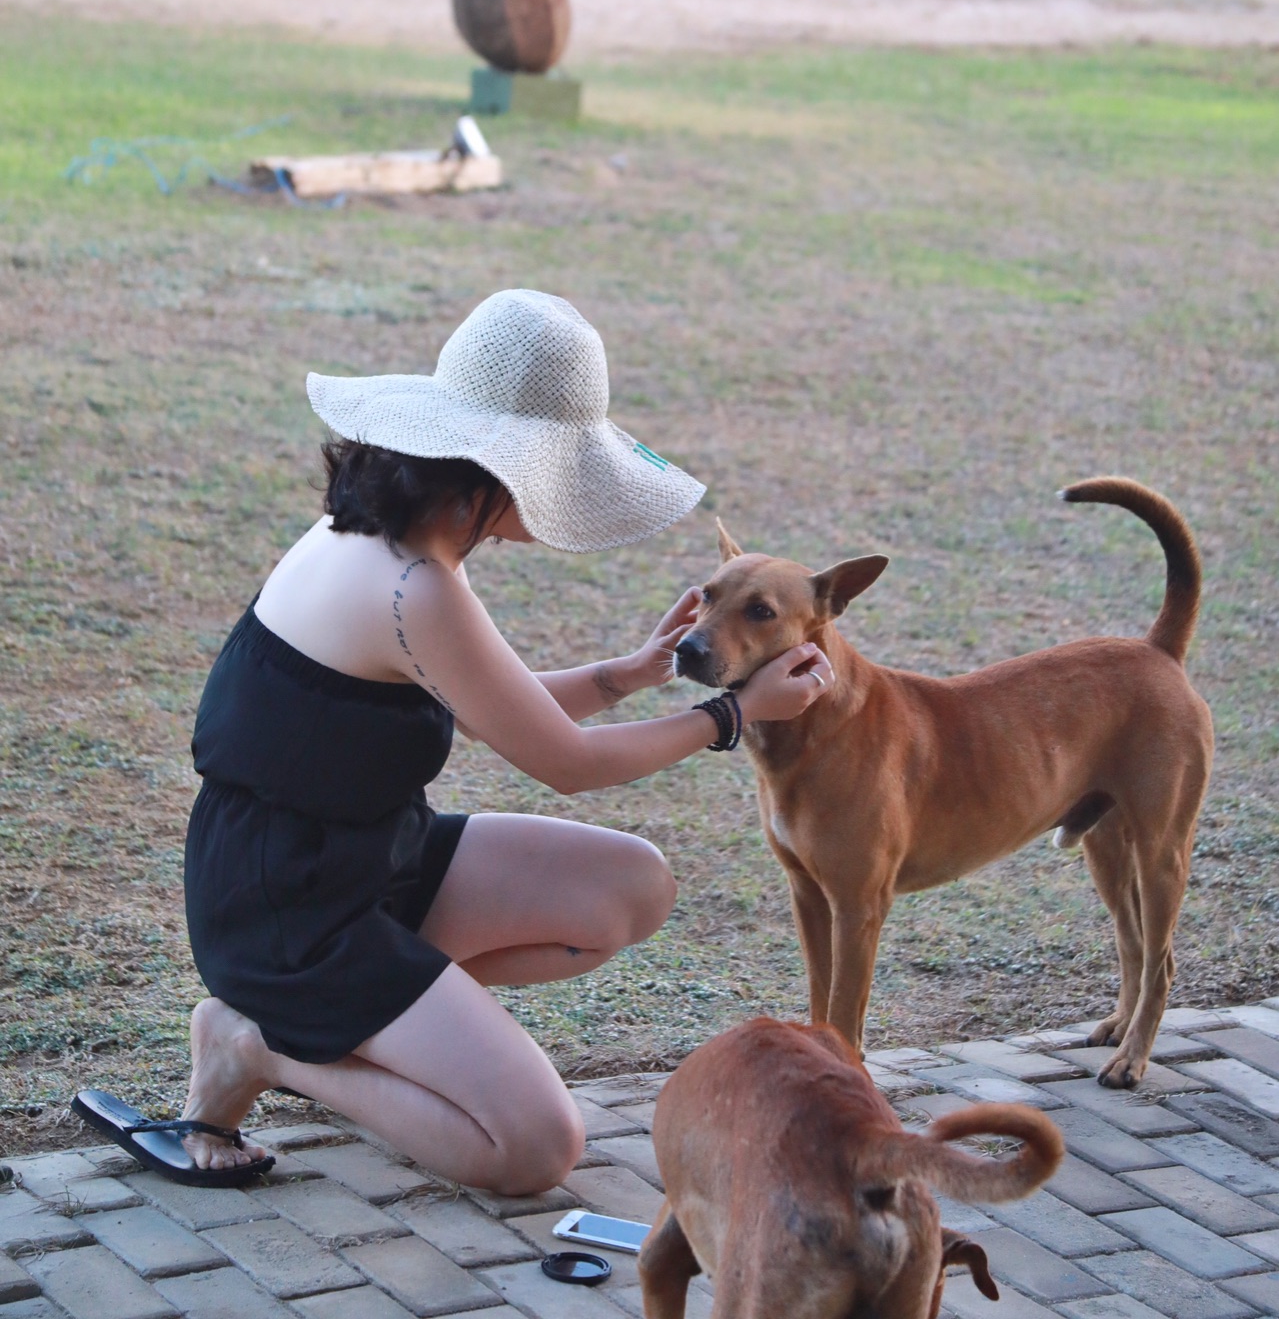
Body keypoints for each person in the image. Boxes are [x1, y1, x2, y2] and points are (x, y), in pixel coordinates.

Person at [74, 290, 831, 1192]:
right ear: (497, 472)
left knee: (630, 888)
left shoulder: (374, 539)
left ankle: (389, 1026)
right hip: (292, 913)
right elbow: (568, 765)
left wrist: (631, 672)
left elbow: (490, 708)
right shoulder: (415, 589)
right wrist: (735, 717)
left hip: (357, 858)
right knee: (534, 1149)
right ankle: (259, 1046)